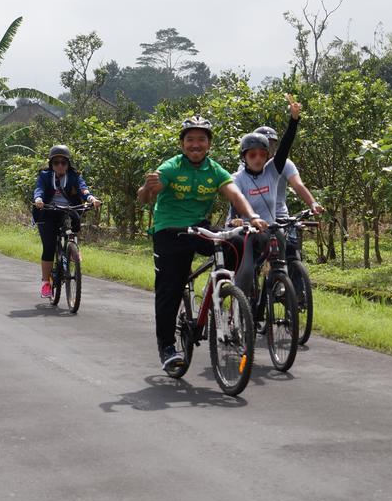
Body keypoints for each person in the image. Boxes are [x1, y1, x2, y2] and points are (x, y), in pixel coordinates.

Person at [137, 116, 268, 373]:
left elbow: (235, 194)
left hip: (199, 227)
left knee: (239, 241)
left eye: (201, 140)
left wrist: (252, 216)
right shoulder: (172, 167)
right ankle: (167, 347)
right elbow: (146, 196)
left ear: (209, 144)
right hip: (170, 232)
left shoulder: (214, 170)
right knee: (170, 290)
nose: (195, 145)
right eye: (190, 140)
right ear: (182, 144)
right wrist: (146, 188)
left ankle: (220, 288)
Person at [225, 97, 302, 310]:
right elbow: (235, 201)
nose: (258, 158)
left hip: (268, 229)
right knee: (248, 271)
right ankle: (240, 309)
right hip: (246, 231)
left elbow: (285, 146)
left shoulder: (272, 171)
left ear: (268, 156)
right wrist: (236, 220)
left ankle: (279, 288)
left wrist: (294, 120)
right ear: (244, 157)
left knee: (283, 256)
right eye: (252, 155)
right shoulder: (237, 178)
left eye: (262, 154)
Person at [32, 145, 100, 299]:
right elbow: (39, 189)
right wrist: (38, 199)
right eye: (56, 162)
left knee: (73, 226)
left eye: (64, 162)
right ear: (51, 164)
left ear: (68, 164)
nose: (60, 166)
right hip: (47, 211)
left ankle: (72, 250)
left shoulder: (74, 176)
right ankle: (45, 283)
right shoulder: (44, 176)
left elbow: (84, 189)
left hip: (68, 210)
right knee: (48, 247)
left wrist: (91, 199)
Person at [253, 122, 324, 261]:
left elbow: (298, 185)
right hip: (257, 219)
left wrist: (313, 203)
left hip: (281, 217)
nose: (269, 148)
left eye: (273, 144)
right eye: (265, 144)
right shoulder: (248, 165)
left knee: (292, 253)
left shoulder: (285, 163)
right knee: (253, 260)